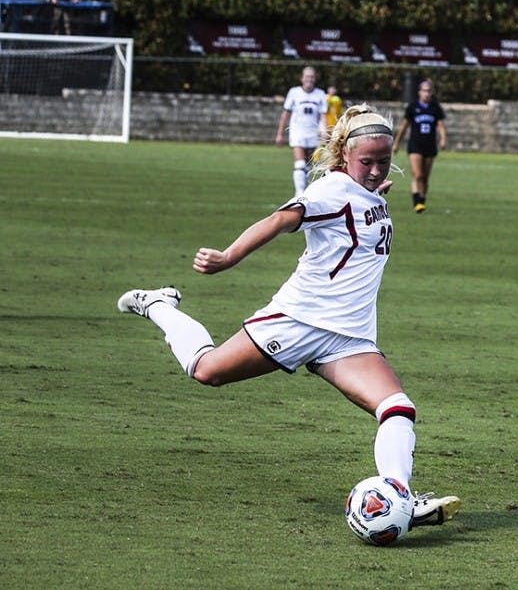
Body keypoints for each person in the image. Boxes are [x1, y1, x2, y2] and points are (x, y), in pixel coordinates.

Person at [117, 104, 461, 528]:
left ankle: (398, 496)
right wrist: (227, 257)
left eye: (383, 161)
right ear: (345, 154)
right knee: (207, 370)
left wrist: (373, 190)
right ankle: (158, 305)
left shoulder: (364, 190)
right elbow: (280, 219)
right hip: (299, 321)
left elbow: (359, 214)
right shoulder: (331, 191)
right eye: (367, 162)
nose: (375, 170)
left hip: (348, 337)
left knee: (397, 408)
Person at [393, 79, 447, 213]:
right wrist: (397, 143)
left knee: (425, 177)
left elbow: (441, 126)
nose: (426, 94)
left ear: (431, 93)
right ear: (419, 92)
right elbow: (404, 127)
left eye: (429, 91)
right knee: (417, 175)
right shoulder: (412, 107)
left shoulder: (435, 107)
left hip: (430, 145)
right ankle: (416, 202)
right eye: (424, 91)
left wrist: (443, 139)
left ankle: (422, 200)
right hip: (415, 145)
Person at [276, 67, 327, 197]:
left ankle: (305, 193)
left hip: (313, 133)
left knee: (308, 166)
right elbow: (285, 114)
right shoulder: (294, 92)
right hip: (297, 132)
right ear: (302, 78)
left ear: (314, 79)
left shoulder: (320, 94)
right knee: (300, 164)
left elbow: (323, 115)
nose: (309, 79)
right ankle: (299, 194)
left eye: (312, 77)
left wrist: (324, 132)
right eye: (307, 76)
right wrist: (279, 134)